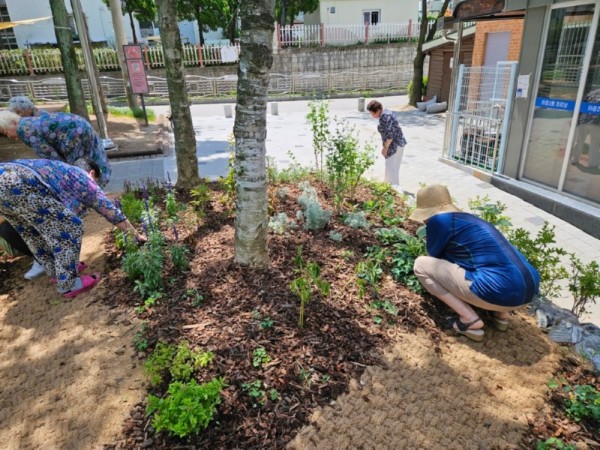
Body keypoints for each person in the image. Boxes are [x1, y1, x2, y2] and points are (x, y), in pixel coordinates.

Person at [410, 184, 540, 342]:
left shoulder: (439, 220)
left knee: (421, 265)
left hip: (499, 291)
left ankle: (469, 319)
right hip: (529, 291)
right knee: (489, 267)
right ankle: (502, 315)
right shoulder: (470, 220)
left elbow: (434, 256)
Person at [0, 158, 144, 298]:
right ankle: (69, 284)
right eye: (97, 183)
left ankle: (57, 272)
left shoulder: (61, 171)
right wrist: (136, 234)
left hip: (6, 178)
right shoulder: (82, 177)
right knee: (71, 227)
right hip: (17, 182)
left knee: (32, 232)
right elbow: (107, 208)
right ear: (92, 173)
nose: (96, 187)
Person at [0, 110, 111, 187]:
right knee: (87, 159)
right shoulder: (28, 122)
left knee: (77, 167)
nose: (9, 136)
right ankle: (97, 185)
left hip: (72, 133)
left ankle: (89, 193)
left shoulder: (24, 130)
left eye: (6, 132)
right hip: (79, 124)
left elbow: (51, 156)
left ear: (13, 123)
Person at [366, 100, 407, 190]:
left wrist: (385, 148)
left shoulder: (385, 116)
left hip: (395, 145)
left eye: (372, 113)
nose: (372, 116)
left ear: (377, 110)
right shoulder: (387, 112)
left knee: (392, 168)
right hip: (398, 143)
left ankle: (395, 190)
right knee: (391, 167)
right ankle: (387, 187)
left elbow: (390, 135)